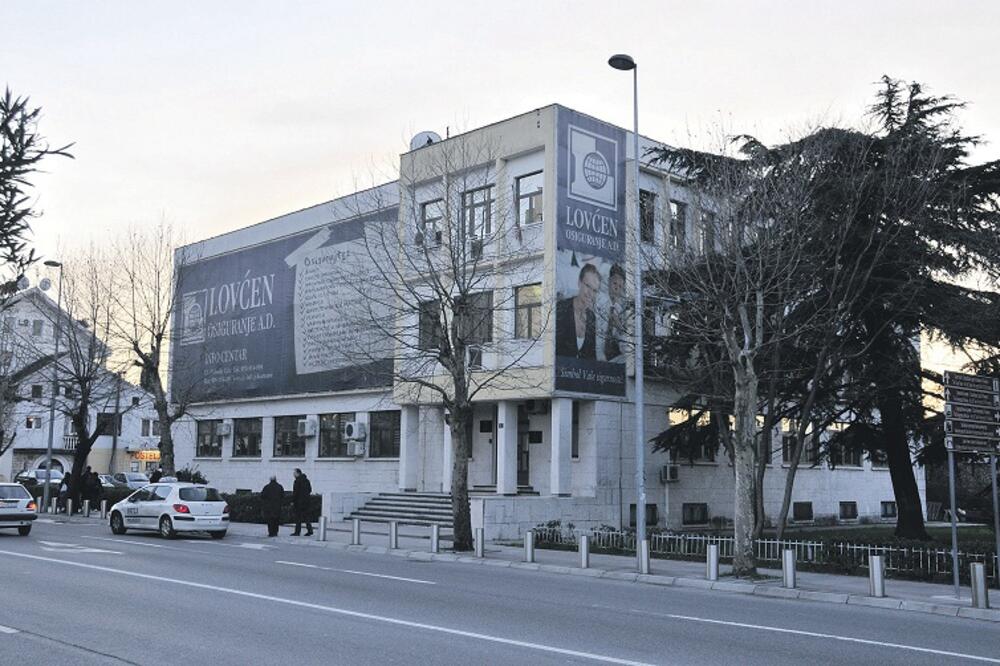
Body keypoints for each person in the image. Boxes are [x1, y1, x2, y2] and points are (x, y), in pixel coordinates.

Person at [555, 263, 600, 360]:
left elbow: (591, 355)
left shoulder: (592, 317)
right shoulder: (561, 308)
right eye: (587, 286)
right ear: (579, 283)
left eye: (595, 290)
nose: (590, 293)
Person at [603, 263, 627, 362]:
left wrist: (619, 327)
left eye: (620, 286)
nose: (617, 288)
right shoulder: (600, 304)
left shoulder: (623, 312)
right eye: (615, 284)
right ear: (609, 282)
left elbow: (625, 349)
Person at [291, 468, 313, 536]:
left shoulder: (297, 481)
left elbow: (295, 493)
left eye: (294, 473)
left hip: (299, 502)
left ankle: (297, 532)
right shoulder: (307, 480)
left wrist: (293, 501)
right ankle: (310, 530)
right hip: (307, 501)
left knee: (298, 518)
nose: (293, 475)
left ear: (298, 473)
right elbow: (310, 490)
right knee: (306, 517)